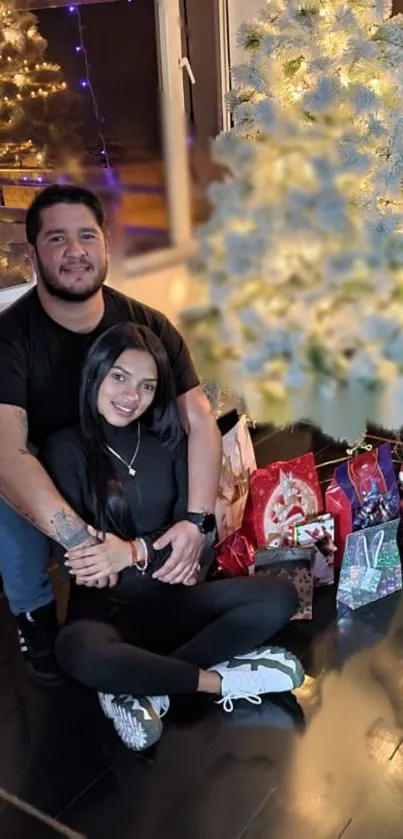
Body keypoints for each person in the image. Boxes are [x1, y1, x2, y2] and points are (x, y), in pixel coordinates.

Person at [41, 322, 303, 751]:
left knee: (279, 596)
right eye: (119, 377)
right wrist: (155, 548)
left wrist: (132, 551)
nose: (131, 397)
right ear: (95, 373)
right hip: (105, 613)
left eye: (147, 385)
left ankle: (142, 684)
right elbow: (87, 569)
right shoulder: (64, 450)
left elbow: (194, 535)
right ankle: (216, 682)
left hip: (173, 597)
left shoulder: (169, 441)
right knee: (76, 651)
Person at [0, 184, 222, 685]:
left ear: (106, 246)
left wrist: (197, 522)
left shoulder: (148, 325)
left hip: (124, 460)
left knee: (179, 439)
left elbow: (201, 419)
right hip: (48, 470)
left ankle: (168, 588)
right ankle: (34, 618)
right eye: (57, 239)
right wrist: (80, 544)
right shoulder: (11, 339)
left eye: (86, 236)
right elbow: (6, 452)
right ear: (33, 254)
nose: (75, 251)